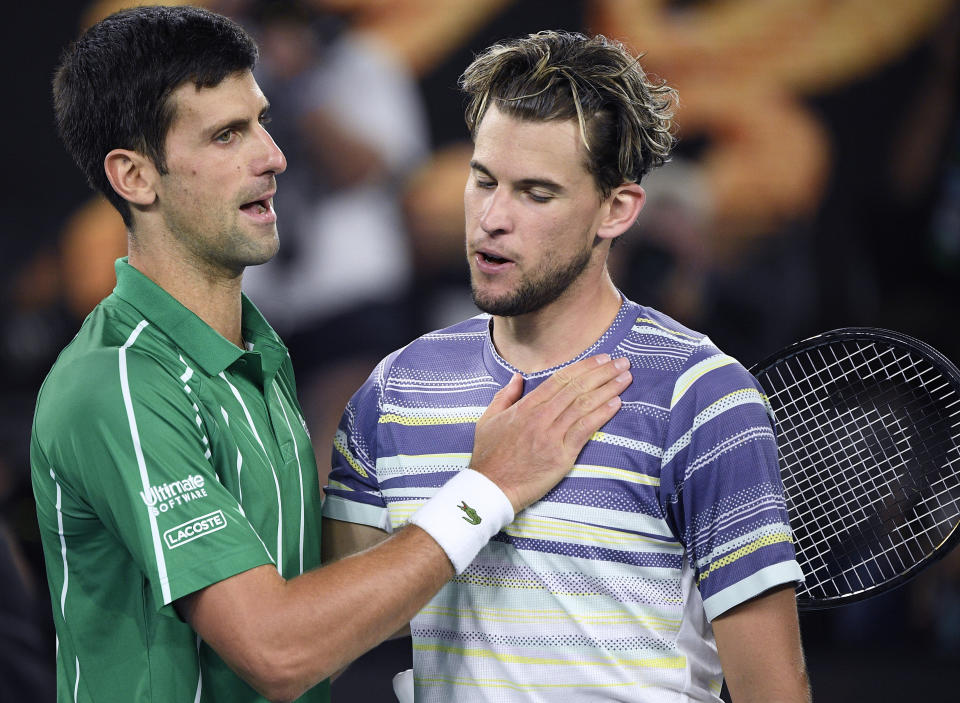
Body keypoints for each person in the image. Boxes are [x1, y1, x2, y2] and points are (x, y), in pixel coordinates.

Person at [30, 8, 632, 702]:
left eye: (260, 120)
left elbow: (329, 616)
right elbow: (278, 649)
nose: (273, 155)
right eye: (228, 135)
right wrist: (486, 491)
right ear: (135, 178)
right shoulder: (122, 384)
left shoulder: (256, 362)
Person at [322, 30, 811, 702]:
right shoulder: (395, 391)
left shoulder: (705, 394)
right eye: (483, 179)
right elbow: (320, 643)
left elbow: (774, 691)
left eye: (536, 193)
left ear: (617, 209)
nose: (492, 218)